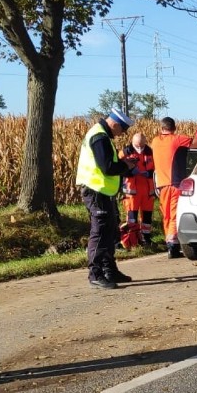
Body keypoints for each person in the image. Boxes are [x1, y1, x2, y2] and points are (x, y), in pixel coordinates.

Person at [76, 108, 137, 289]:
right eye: (123, 130)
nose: (122, 134)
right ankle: (95, 274)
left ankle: (109, 270)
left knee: (110, 231)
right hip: (95, 191)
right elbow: (107, 167)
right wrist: (125, 165)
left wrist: (125, 164)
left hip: (104, 192)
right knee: (100, 232)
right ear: (115, 124)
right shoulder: (99, 136)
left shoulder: (102, 135)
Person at [150, 117, 197, 258]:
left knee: (167, 215)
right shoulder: (177, 139)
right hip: (175, 183)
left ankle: (169, 242)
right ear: (174, 128)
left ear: (161, 128)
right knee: (175, 214)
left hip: (161, 184)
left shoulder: (155, 141)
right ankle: (173, 245)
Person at [119, 132, 155, 245]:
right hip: (132, 191)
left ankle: (146, 239)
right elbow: (117, 167)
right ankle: (132, 240)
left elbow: (157, 168)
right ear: (132, 142)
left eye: (141, 145)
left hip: (148, 190)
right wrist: (129, 172)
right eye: (137, 145)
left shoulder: (151, 152)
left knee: (147, 217)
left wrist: (149, 173)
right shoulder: (125, 152)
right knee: (131, 217)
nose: (139, 148)